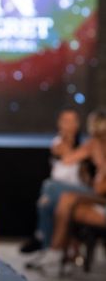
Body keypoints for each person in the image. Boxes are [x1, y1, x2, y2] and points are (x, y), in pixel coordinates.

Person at [30, 108, 106, 274]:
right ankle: (55, 252)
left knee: (51, 191)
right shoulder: (91, 144)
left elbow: (100, 185)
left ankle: (48, 245)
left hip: (97, 195)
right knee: (58, 199)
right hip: (92, 193)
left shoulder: (93, 144)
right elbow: (67, 159)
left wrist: (100, 170)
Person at [21, 107, 92, 257]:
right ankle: (49, 247)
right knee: (46, 203)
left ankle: (42, 239)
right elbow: (66, 156)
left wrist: (82, 151)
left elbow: (70, 159)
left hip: (78, 189)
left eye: (72, 121)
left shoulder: (87, 144)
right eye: (65, 121)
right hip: (60, 191)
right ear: (59, 123)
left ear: (78, 123)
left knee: (48, 188)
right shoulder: (57, 143)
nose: (69, 124)